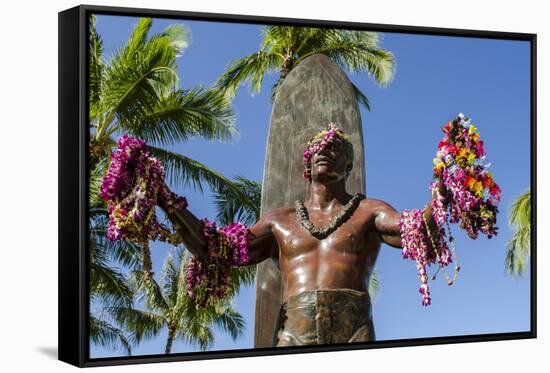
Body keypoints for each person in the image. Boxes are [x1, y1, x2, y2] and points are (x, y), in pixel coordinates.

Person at [158, 123, 446, 347]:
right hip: (293, 333)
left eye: (334, 148)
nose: (324, 150)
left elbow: (417, 229)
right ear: (307, 166)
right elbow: (217, 248)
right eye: (318, 148)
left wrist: (444, 187)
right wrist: (164, 199)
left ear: (347, 165)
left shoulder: (369, 211)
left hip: (354, 331)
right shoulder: (279, 221)